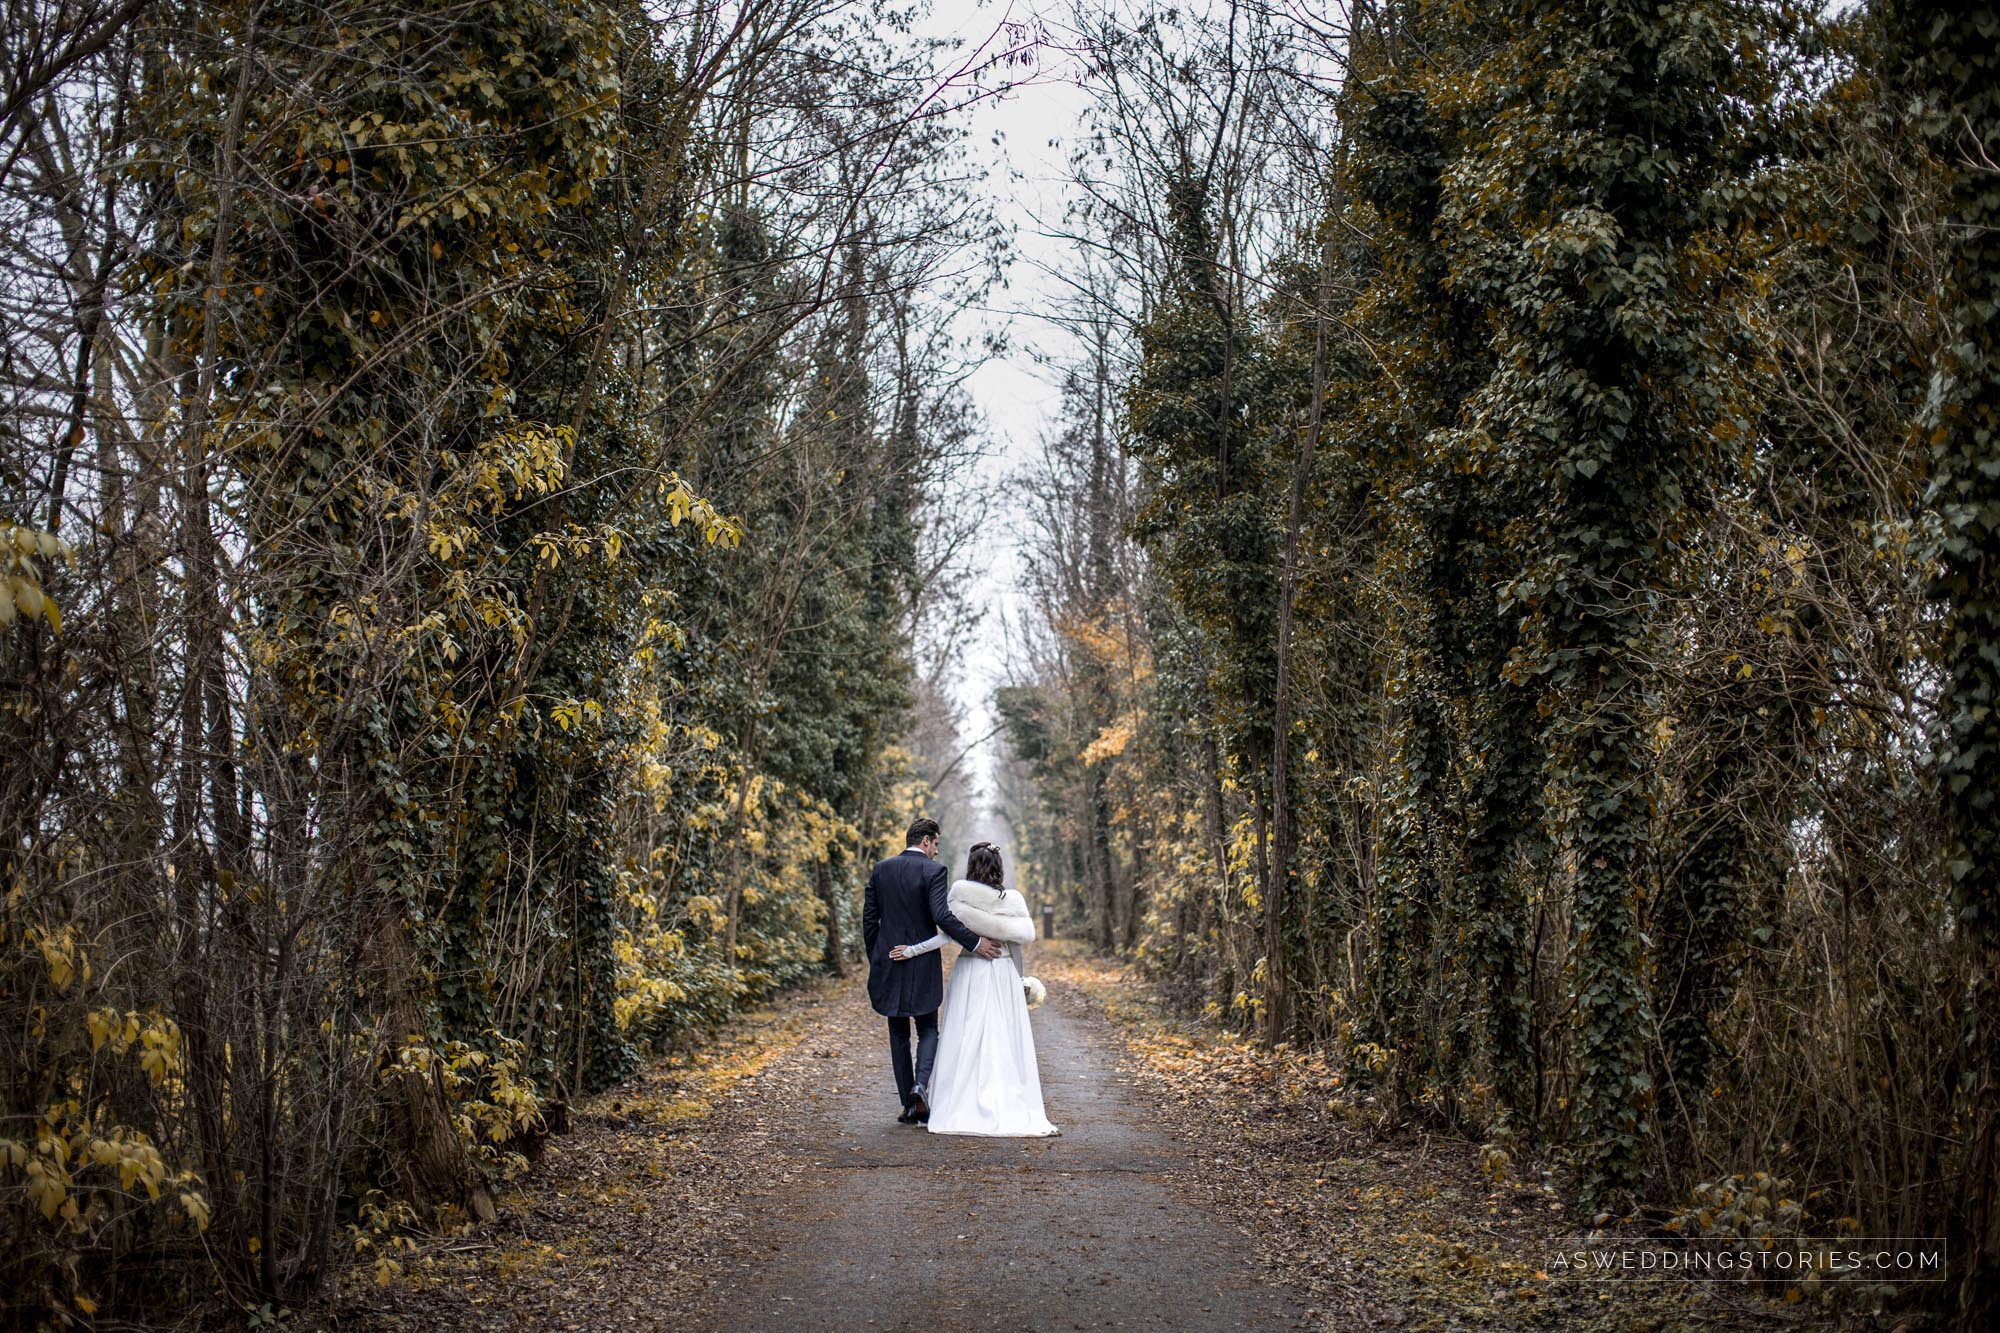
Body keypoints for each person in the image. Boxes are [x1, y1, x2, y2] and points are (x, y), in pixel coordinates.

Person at [891, 840, 1058, 1137]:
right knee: (1003, 1036)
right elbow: (1016, 947)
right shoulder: (1013, 901)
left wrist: (912, 950)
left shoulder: (961, 897)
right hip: (1003, 972)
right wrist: (1019, 979)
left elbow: (947, 937)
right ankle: (1006, 1101)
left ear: (972, 867)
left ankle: (960, 1104)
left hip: (971, 971)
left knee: (966, 1035)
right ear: (998, 867)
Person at [861, 817, 1002, 1125]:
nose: (936, 850)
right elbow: (942, 916)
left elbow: (869, 920)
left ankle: (909, 1106)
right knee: (927, 1029)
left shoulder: (881, 869)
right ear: (925, 840)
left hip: (888, 960)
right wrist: (975, 942)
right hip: (922, 964)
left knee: (898, 1033)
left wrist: (877, 958)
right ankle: (921, 1086)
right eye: (936, 843)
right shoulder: (934, 871)